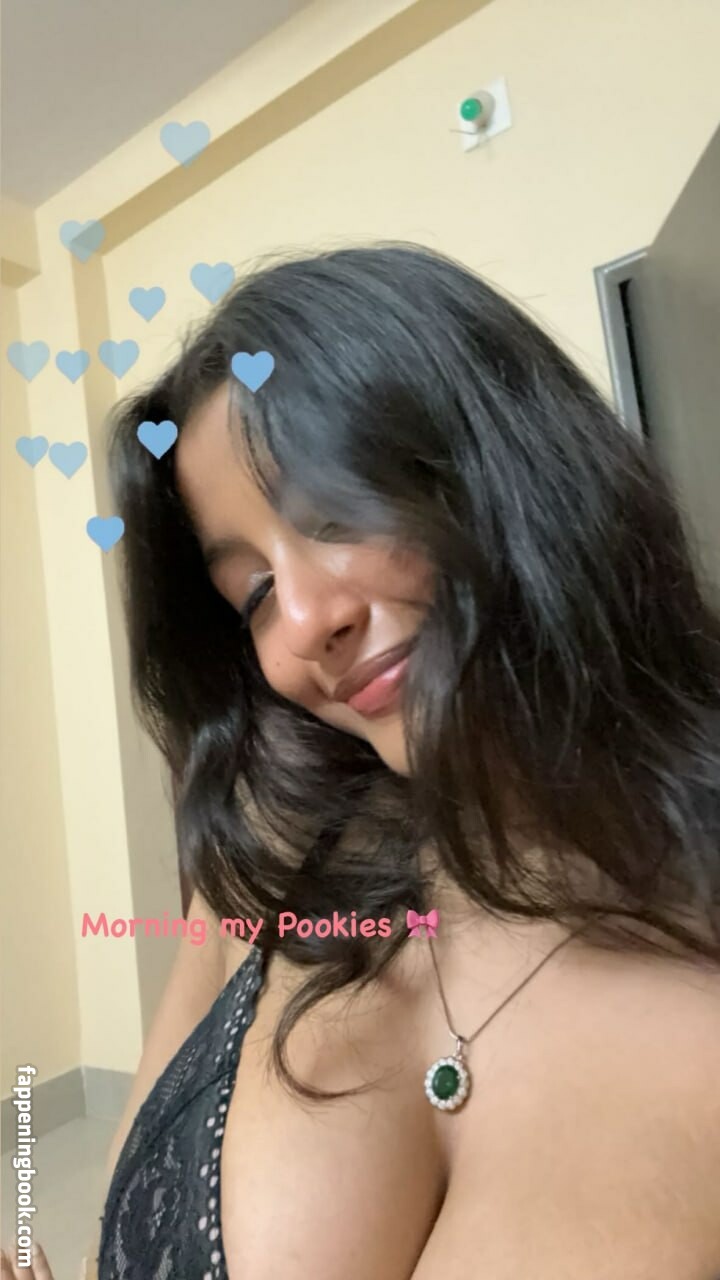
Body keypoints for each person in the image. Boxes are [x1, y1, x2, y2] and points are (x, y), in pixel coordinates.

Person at [8, 241, 720, 1280]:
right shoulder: (272, 851)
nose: (304, 622)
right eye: (253, 594)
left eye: (339, 515)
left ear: (504, 458)